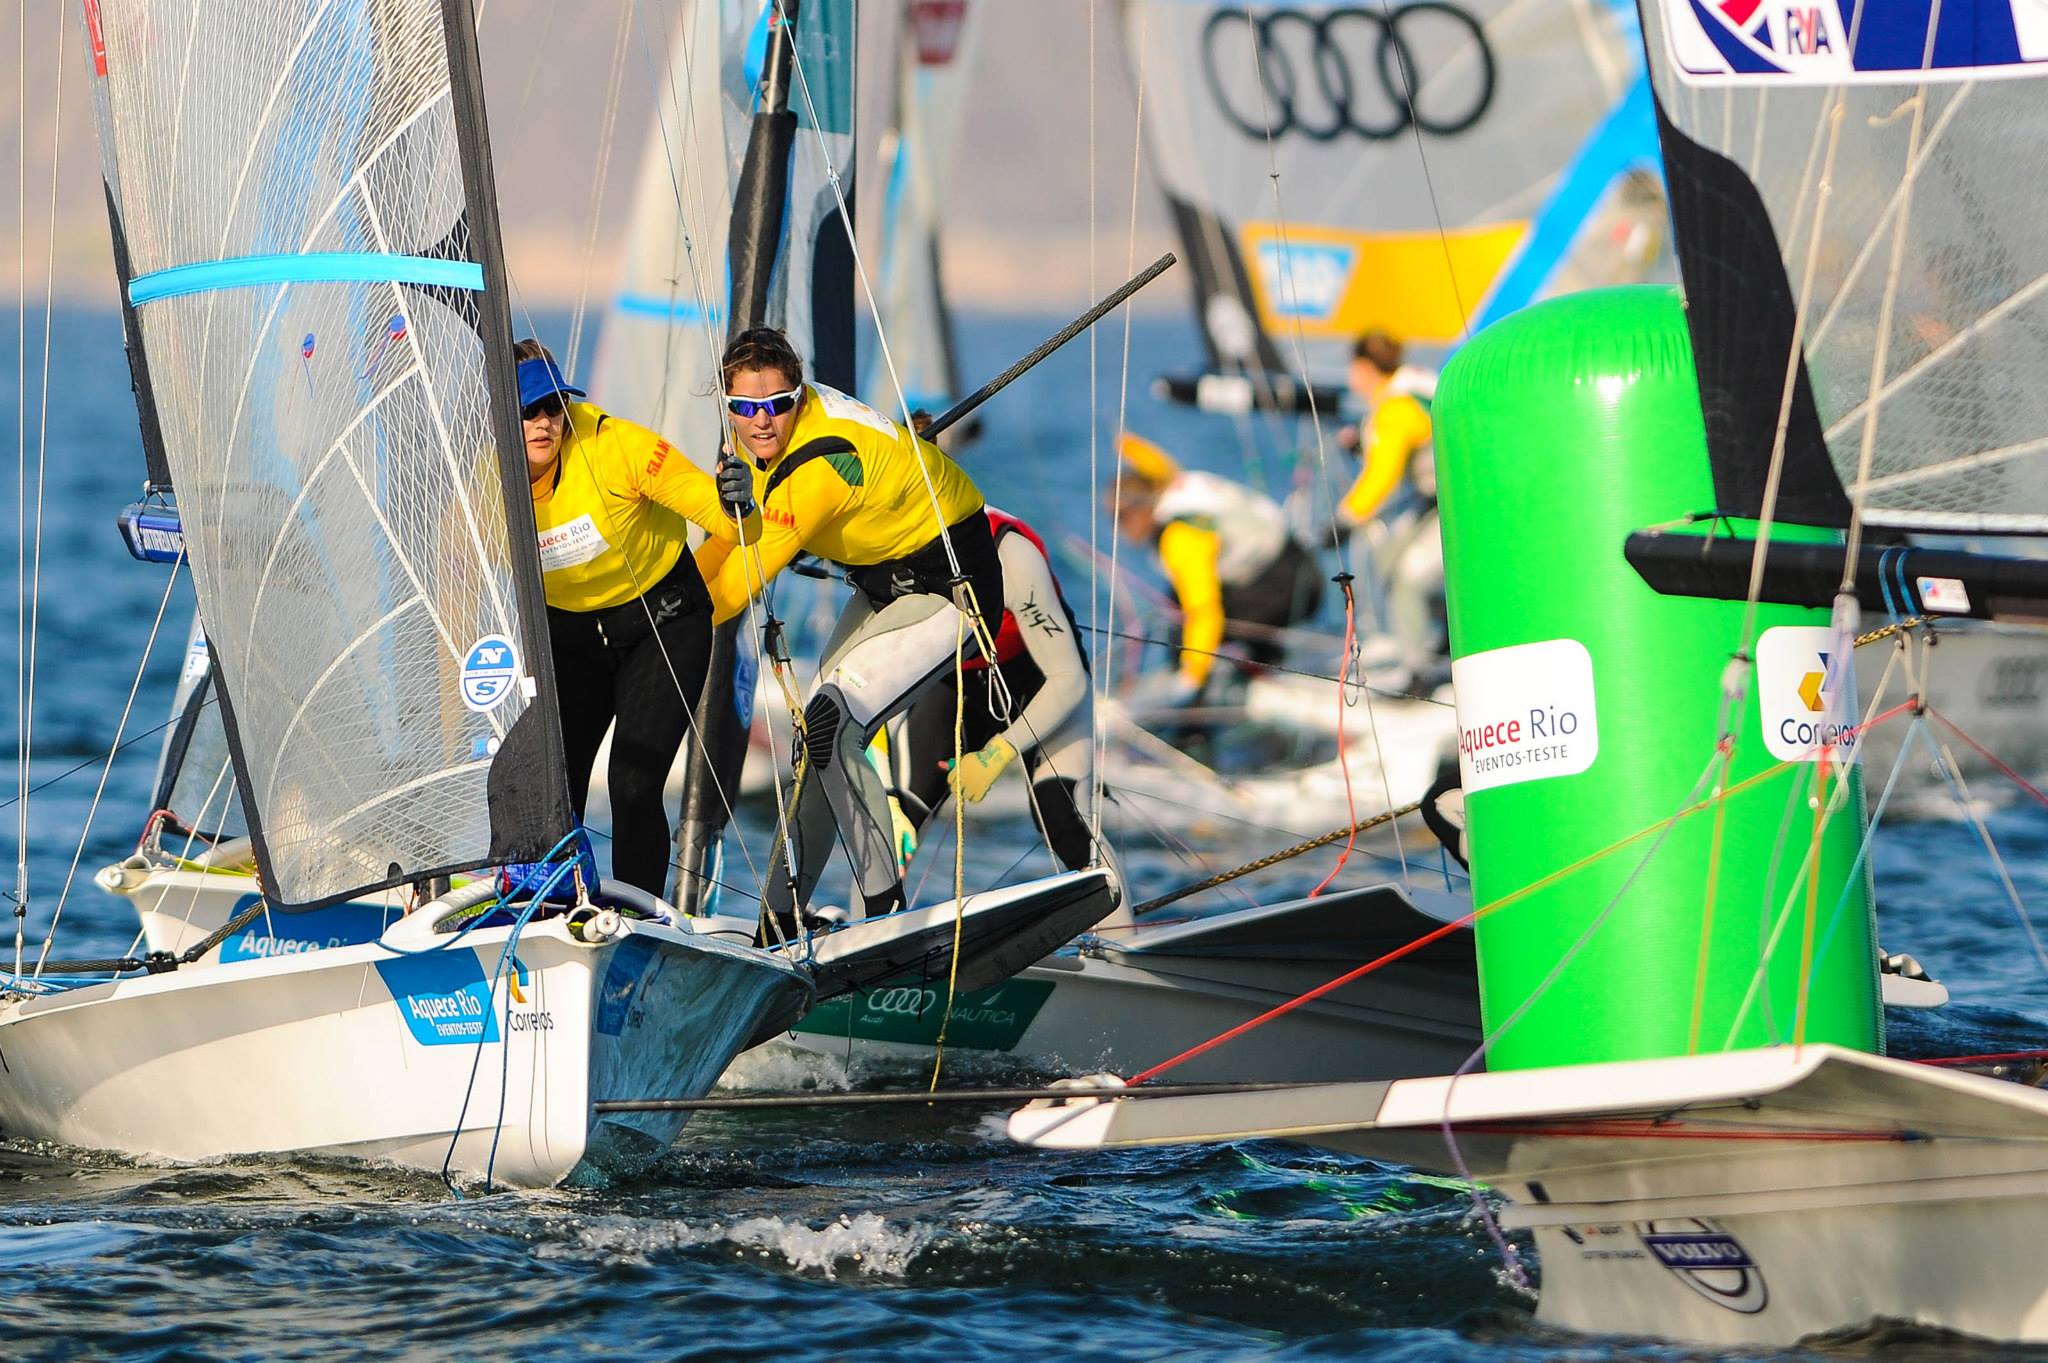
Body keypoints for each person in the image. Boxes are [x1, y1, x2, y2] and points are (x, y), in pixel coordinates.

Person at [694, 327, 997, 926]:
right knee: (813, 746)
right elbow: (725, 545)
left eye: (777, 404)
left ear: (800, 395)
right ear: (728, 406)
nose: (761, 421)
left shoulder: (819, 465)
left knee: (832, 724)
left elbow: (736, 586)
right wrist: (652, 597)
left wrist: (648, 627)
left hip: (951, 588)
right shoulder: (756, 444)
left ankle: (887, 915)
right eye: (745, 407)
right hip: (884, 585)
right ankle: (777, 924)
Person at [516, 339, 756, 896]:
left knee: (633, 783)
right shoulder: (488, 480)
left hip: (663, 626)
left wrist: (739, 501)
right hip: (572, 640)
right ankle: (548, 908)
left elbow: (728, 522)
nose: (545, 422)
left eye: (554, 405)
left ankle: (638, 918)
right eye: (528, 409)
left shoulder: (618, 448)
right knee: (550, 791)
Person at [892, 504, 1101, 876]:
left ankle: (1115, 910)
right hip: (953, 685)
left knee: (1062, 817)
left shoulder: (1011, 553)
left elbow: (1068, 680)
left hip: (1040, 676)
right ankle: (870, 914)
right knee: (894, 828)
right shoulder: (883, 553)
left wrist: (997, 753)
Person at [1111, 432, 1322, 707]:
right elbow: (1158, 465)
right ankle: (1263, 658)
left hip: (1290, 591)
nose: (1118, 529)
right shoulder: (1173, 485)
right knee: (1185, 595)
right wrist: (1127, 444)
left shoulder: (1181, 537)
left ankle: (1196, 706)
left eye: (1120, 517)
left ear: (1140, 509)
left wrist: (1191, 677)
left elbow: (1204, 611)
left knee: (1180, 622)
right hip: (1298, 566)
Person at [1334, 329, 1443, 685]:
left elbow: (1382, 476)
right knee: (1389, 557)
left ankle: (1419, 671)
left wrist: (1344, 519)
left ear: (1365, 368)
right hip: (1438, 500)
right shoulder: (1415, 389)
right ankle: (1438, 640)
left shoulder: (1395, 408)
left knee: (1408, 577)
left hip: (1457, 505)